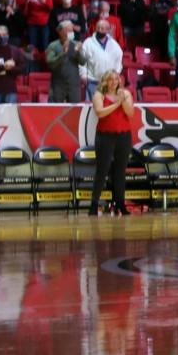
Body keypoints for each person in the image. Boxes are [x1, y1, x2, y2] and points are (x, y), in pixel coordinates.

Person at [90, 69, 137, 216]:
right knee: (102, 170)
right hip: (105, 136)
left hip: (124, 135)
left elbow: (130, 112)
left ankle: (120, 205)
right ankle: (94, 204)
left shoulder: (125, 93)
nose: (114, 82)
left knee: (120, 171)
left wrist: (122, 101)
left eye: (116, 79)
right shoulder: (99, 94)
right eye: (111, 79)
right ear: (105, 81)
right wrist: (117, 104)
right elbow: (100, 112)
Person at [46, 19, 85, 103]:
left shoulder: (76, 44)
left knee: (75, 111)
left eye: (72, 30)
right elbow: (50, 63)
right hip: (58, 84)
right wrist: (63, 53)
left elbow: (83, 62)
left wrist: (78, 52)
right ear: (60, 31)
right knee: (56, 110)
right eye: (68, 30)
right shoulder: (53, 45)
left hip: (73, 83)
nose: (71, 32)